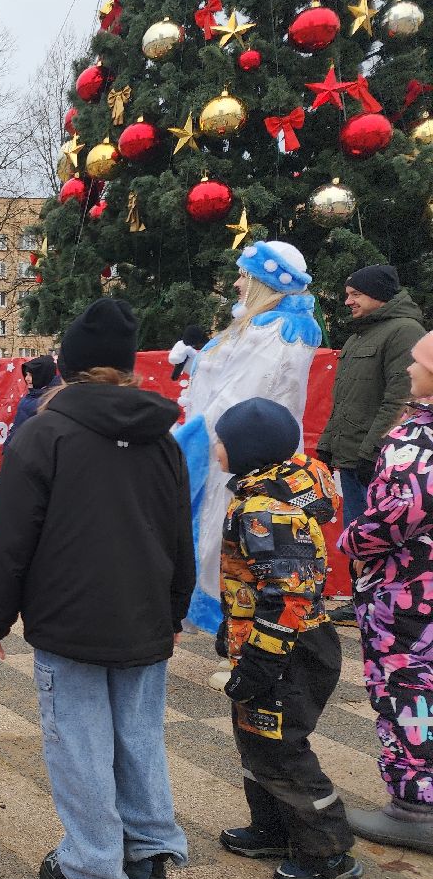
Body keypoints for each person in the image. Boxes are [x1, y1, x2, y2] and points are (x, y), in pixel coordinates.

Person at [0, 298, 193, 879]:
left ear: (68, 366)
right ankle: (147, 869)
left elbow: (11, 535)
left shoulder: (44, 432)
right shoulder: (163, 439)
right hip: (145, 615)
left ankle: (97, 875)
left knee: (80, 745)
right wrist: (174, 611)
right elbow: (177, 532)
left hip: (70, 620)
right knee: (138, 740)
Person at [211, 397, 361, 879]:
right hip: (269, 641)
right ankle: (274, 829)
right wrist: (232, 627)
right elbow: (257, 583)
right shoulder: (266, 495)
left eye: (221, 440)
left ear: (245, 451)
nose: (215, 447)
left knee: (281, 747)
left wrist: (260, 659)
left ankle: (327, 853)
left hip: (289, 650)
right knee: (256, 739)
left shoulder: (265, 512)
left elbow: (289, 594)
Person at [176, 241, 321, 633]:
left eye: (244, 275)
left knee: (239, 546)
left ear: (262, 280)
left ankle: (243, 637)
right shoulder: (260, 325)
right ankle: (234, 633)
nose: (237, 283)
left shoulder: (275, 330)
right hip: (235, 451)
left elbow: (240, 397)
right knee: (228, 541)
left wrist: (191, 436)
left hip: (245, 455)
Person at [338, 330, 433, 855]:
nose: (408, 371)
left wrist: (352, 539)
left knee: (404, 686)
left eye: (418, 363)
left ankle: (414, 806)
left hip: (405, 591)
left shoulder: (417, 440)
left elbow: (398, 514)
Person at [318, 264, 426, 624]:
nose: (348, 301)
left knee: (380, 535)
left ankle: (384, 600)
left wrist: (374, 450)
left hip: (376, 460)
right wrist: (330, 443)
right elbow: (346, 398)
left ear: (378, 294)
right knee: (358, 531)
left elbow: (398, 399)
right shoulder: (359, 336)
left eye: (355, 294)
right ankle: (361, 595)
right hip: (352, 456)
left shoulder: (404, 331)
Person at [8, 355, 60, 444]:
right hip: (19, 448)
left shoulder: (50, 400)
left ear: (42, 375)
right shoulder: (32, 396)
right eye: (26, 374)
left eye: (31, 375)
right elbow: (17, 426)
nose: (26, 378)